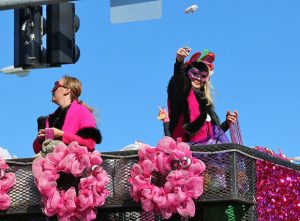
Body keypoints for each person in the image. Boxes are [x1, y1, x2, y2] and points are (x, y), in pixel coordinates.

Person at [159, 47, 238, 144]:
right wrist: (179, 62)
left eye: (203, 76)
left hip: (202, 155)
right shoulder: (182, 93)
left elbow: (209, 138)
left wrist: (227, 123)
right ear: (187, 74)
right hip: (184, 153)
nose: (198, 78)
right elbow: (179, 82)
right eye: (194, 73)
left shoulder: (204, 104)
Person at [33, 75, 102, 154]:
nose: (52, 89)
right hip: (52, 164)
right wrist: (39, 140)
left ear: (67, 90)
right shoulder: (50, 118)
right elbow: (38, 151)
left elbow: (90, 143)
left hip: (74, 165)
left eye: (56, 85)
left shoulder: (83, 112)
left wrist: (61, 134)